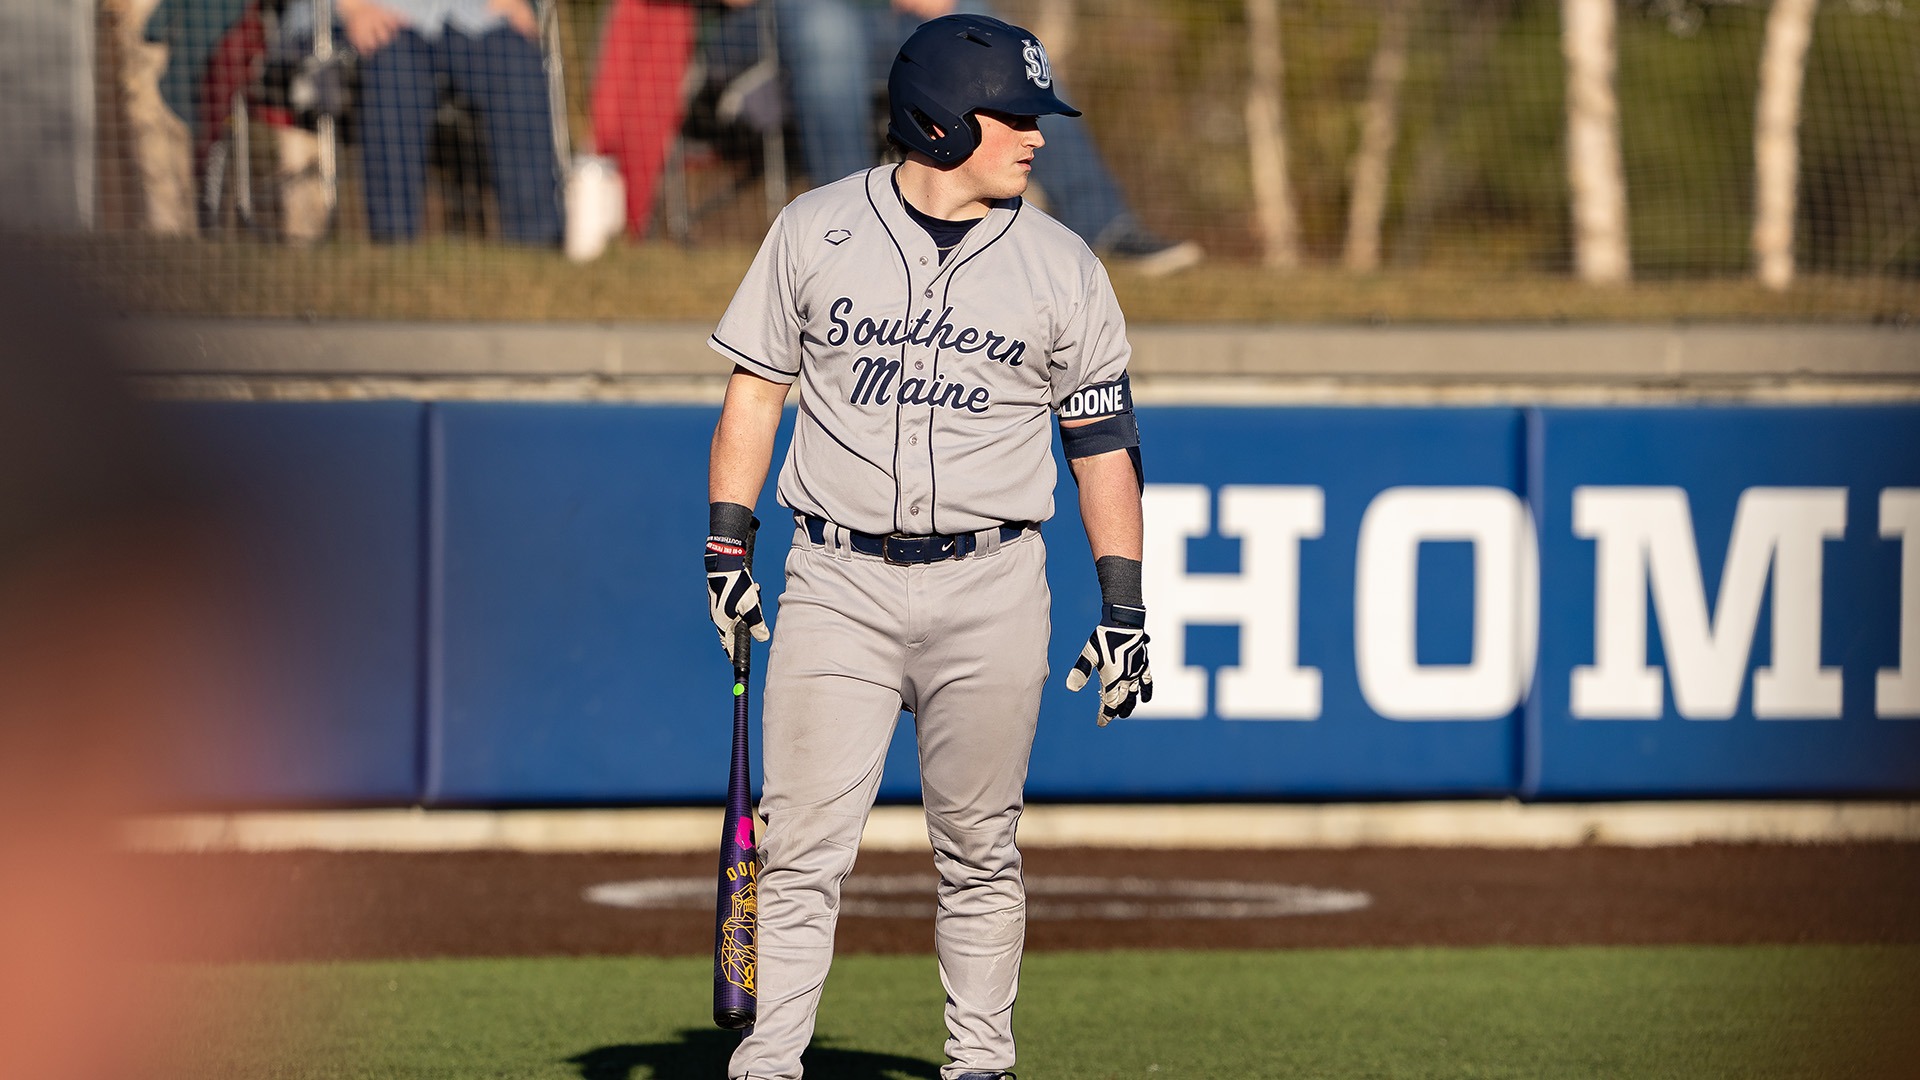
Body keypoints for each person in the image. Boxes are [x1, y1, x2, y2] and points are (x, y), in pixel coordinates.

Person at [702, 14, 1153, 1079]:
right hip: (835, 581)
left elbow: (1102, 444)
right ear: (942, 119)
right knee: (804, 848)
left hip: (993, 586)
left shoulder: (1062, 263)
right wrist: (728, 548)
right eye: (1017, 116)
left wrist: (1125, 604)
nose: (1037, 137)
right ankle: (768, 1065)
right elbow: (755, 392)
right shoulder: (814, 229)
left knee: (981, 850)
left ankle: (980, 1063)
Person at [771, 0, 1202, 276]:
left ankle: (1105, 225)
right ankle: (850, 229)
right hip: (789, 21)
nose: (1036, 138)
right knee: (825, 35)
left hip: (904, 18)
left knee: (1007, 49)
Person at [337, 0, 562, 244]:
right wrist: (354, 8)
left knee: (517, 61)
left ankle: (537, 237)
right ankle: (393, 240)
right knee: (392, 72)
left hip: (476, 18)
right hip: (388, 15)